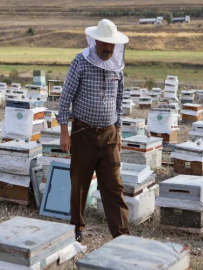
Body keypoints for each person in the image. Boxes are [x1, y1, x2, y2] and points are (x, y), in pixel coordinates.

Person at [57, 19, 130, 242]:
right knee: (79, 184)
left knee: (114, 187)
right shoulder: (80, 62)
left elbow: (119, 99)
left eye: (111, 45)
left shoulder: (117, 65)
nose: (108, 49)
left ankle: (122, 237)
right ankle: (76, 229)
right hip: (83, 133)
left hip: (109, 135)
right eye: (104, 44)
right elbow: (65, 97)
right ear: (95, 41)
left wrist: (118, 129)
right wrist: (64, 131)